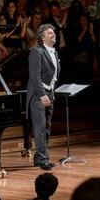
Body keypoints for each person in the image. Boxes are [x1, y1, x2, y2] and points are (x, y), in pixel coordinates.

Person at [26, 24, 60, 170]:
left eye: (54, 33)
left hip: (50, 93)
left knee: (46, 128)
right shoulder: (36, 52)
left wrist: (51, 92)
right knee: (40, 128)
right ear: (42, 37)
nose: (54, 35)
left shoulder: (55, 53)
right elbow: (35, 76)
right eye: (50, 33)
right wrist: (43, 95)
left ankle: (39, 157)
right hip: (38, 95)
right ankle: (43, 159)